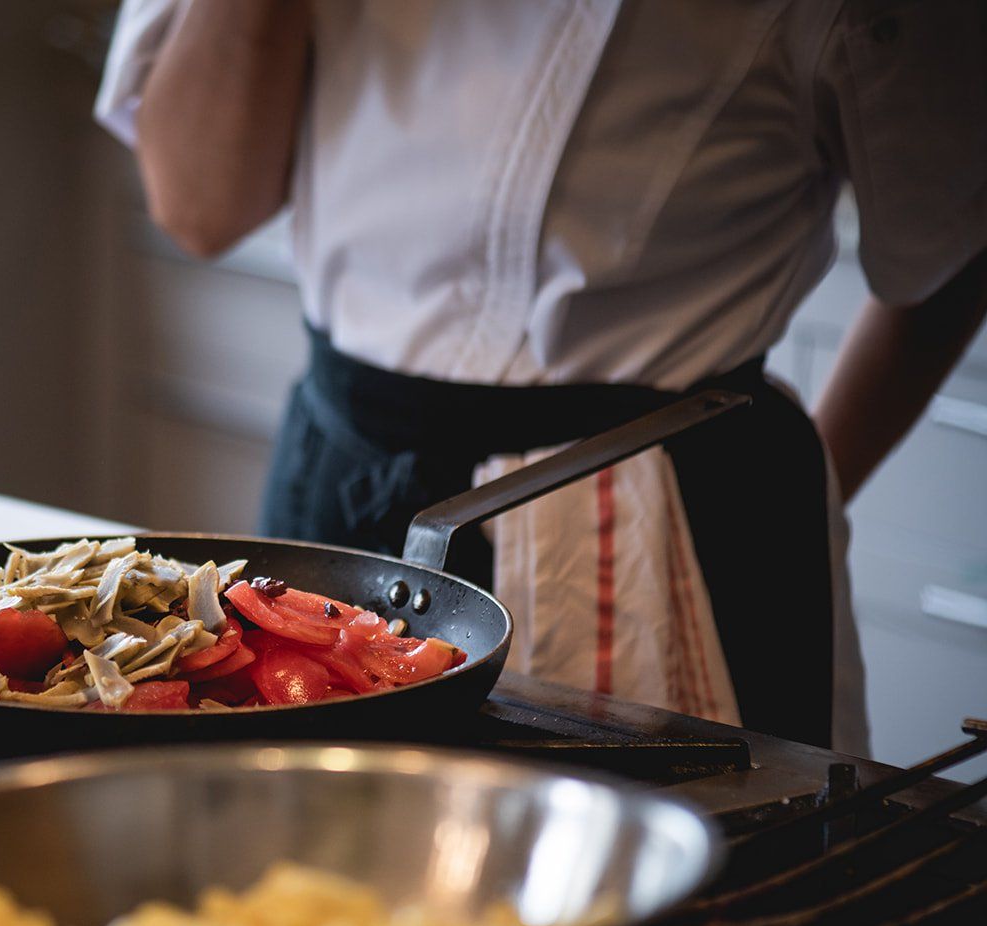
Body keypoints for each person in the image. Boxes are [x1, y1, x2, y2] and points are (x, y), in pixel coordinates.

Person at [95, 0, 987, 752]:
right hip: (342, 478)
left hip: (668, 527)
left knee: (690, 919)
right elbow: (198, 207)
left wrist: (794, 477)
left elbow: (953, 246)